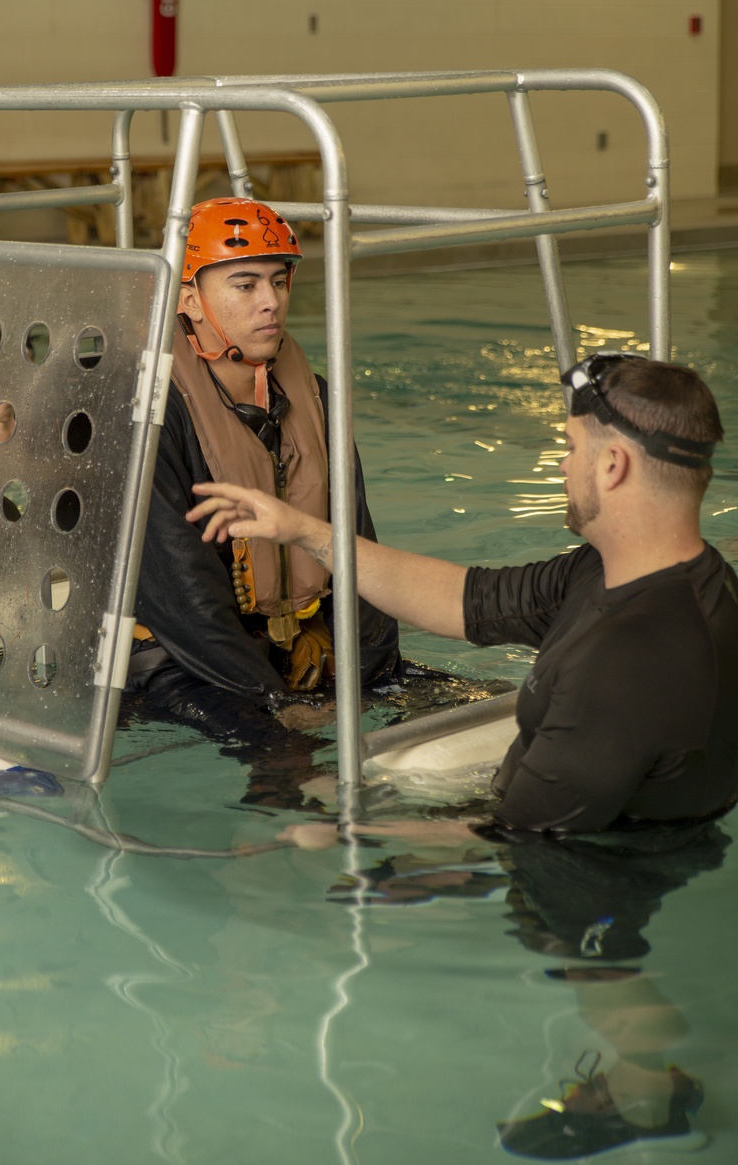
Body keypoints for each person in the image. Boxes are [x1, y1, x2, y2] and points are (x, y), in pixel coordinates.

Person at [187, 351, 738, 1156]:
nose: (562, 462)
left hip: (604, 856)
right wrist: (305, 530)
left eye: (571, 447)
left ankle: (652, 1093)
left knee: (589, 958)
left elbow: (519, 836)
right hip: (619, 799)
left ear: (614, 465)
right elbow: (465, 598)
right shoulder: (635, 572)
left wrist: (347, 830)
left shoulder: (633, 658)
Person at [127, 197, 405, 719]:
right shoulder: (153, 412)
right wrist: (278, 705)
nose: (270, 301)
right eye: (245, 284)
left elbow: (359, 551)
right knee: (286, 757)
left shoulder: (314, 396)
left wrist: (367, 676)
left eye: (278, 281)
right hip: (178, 663)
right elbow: (185, 600)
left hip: (291, 645)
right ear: (187, 299)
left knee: (436, 707)